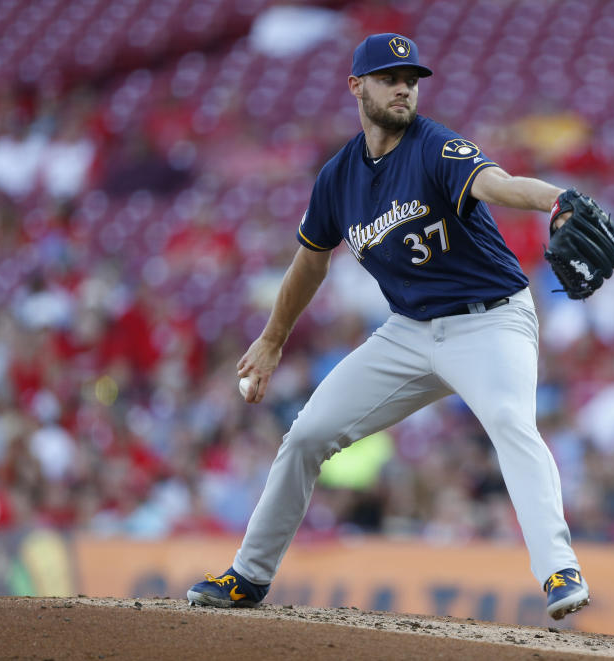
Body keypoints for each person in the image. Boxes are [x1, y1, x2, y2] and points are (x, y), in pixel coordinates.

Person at [187, 33, 591, 620]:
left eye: (411, 78)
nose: (404, 87)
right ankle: (247, 576)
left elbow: (497, 184)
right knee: (304, 437)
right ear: (357, 87)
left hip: (491, 322)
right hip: (409, 332)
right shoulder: (338, 177)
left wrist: (557, 200)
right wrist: (273, 337)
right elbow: (310, 260)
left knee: (508, 420)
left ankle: (559, 569)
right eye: (389, 77)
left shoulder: (435, 146)